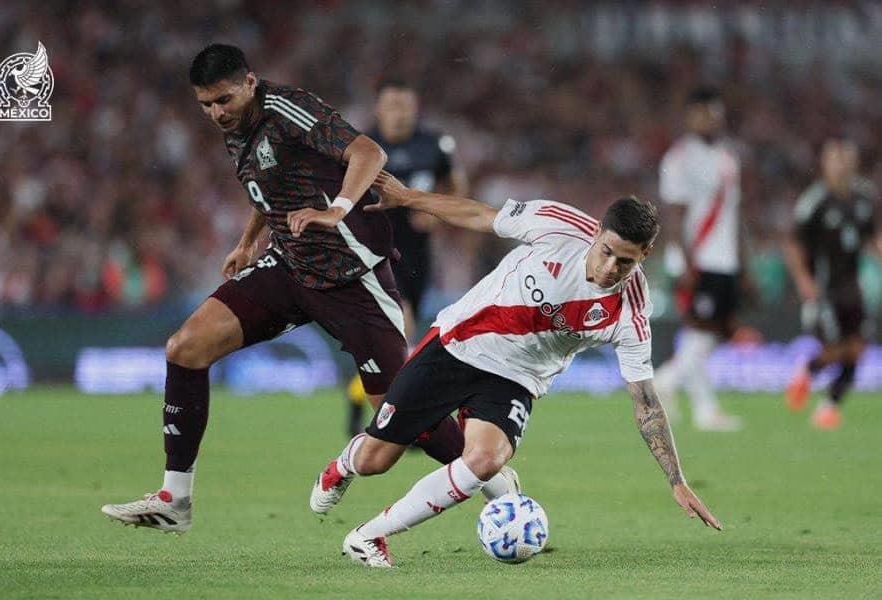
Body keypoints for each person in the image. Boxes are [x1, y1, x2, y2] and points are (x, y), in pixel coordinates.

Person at [101, 44, 513, 533]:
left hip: (352, 277)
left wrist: (337, 208)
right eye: (206, 105)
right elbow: (271, 184)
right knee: (185, 347)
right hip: (290, 267)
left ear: (250, 82)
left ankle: (502, 489)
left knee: (403, 415)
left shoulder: (288, 109)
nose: (216, 113)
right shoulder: (238, 127)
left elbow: (368, 152)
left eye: (224, 100)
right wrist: (248, 240)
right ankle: (175, 499)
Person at [311, 173, 722, 568]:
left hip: (517, 378)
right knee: (375, 459)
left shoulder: (631, 313)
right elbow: (479, 216)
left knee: (485, 460)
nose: (611, 267)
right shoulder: (558, 225)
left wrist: (676, 480)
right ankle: (341, 467)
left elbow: (646, 402)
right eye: (607, 251)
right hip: (458, 344)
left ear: (645, 255)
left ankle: (369, 535)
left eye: (626, 261)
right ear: (597, 232)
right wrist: (408, 197)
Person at [344, 78, 469, 436]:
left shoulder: (433, 145)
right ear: (379, 109)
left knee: (398, 336)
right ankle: (398, 421)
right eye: (392, 106)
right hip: (375, 252)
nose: (400, 114)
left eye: (406, 107)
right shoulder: (362, 146)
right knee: (402, 327)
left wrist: (435, 211)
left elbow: (455, 184)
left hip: (418, 255)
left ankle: (361, 400)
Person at [652, 86, 744, 431]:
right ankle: (667, 381)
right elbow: (674, 214)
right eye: (703, 113)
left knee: (711, 332)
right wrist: (685, 261)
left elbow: (735, 213)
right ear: (690, 116)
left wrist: (742, 263)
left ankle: (703, 408)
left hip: (724, 258)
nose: (710, 119)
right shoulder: (679, 158)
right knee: (704, 331)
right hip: (698, 258)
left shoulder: (727, 157)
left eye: (715, 113)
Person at [784, 138, 880, 429]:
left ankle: (828, 407)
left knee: (858, 350)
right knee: (836, 349)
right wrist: (803, 280)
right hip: (825, 289)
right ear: (826, 163)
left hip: (854, 287)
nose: (842, 166)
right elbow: (793, 244)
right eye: (836, 160)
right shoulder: (815, 201)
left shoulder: (864, 197)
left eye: (846, 159)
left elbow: (870, 239)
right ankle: (809, 370)